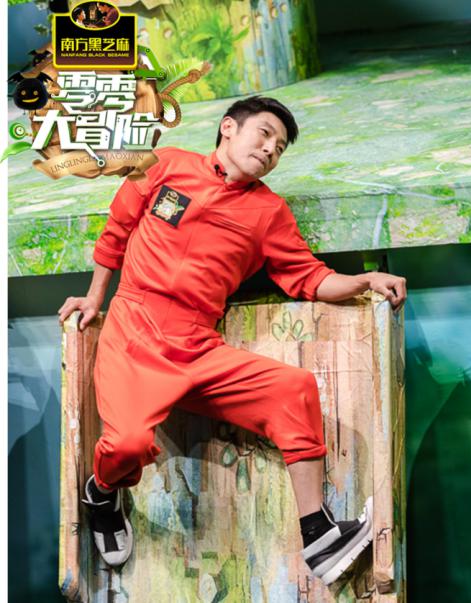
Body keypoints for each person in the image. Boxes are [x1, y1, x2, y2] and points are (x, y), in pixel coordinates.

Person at [57, 96, 407, 584]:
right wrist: (95, 297)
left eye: (279, 148)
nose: (270, 150)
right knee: (127, 445)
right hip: (134, 329)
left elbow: (308, 277)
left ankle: (320, 536)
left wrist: (365, 281)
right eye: (264, 134)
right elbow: (116, 231)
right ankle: (101, 492)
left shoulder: (269, 211)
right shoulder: (164, 165)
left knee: (294, 389)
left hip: (198, 344)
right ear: (228, 128)